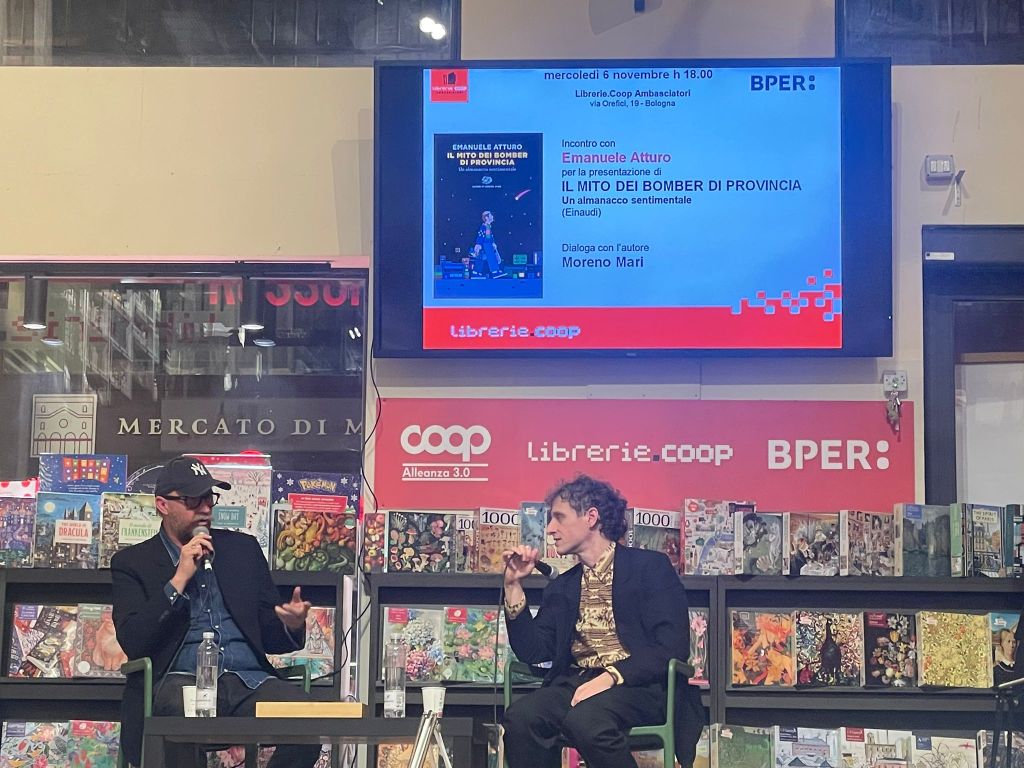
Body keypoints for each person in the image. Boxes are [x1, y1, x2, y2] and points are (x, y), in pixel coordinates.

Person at [110, 456, 321, 768]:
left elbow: (270, 636)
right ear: (162, 505)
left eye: (209, 498)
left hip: (248, 682)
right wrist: (179, 579)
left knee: (309, 718)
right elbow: (134, 641)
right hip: (179, 683)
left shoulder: (243, 550)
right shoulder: (133, 563)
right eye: (193, 500)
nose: (206, 508)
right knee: (178, 718)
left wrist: (290, 624)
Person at [501, 475, 705, 768]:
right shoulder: (562, 586)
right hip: (577, 683)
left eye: (559, 518)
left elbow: (671, 645)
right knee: (522, 717)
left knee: (587, 720)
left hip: (638, 686)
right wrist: (513, 586)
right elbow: (533, 651)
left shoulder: (650, 567)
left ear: (591, 517)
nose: (550, 529)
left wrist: (611, 676)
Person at [472, 210, 507, 278]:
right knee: (490, 256)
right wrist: (478, 244)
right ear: (487, 217)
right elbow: (481, 235)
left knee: (481, 257)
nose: (492, 217)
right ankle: (494, 271)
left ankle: (476, 272)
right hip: (486, 244)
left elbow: (488, 236)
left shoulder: (488, 226)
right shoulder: (485, 226)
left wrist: (492, 242)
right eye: (491, 215)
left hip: (487, 243)